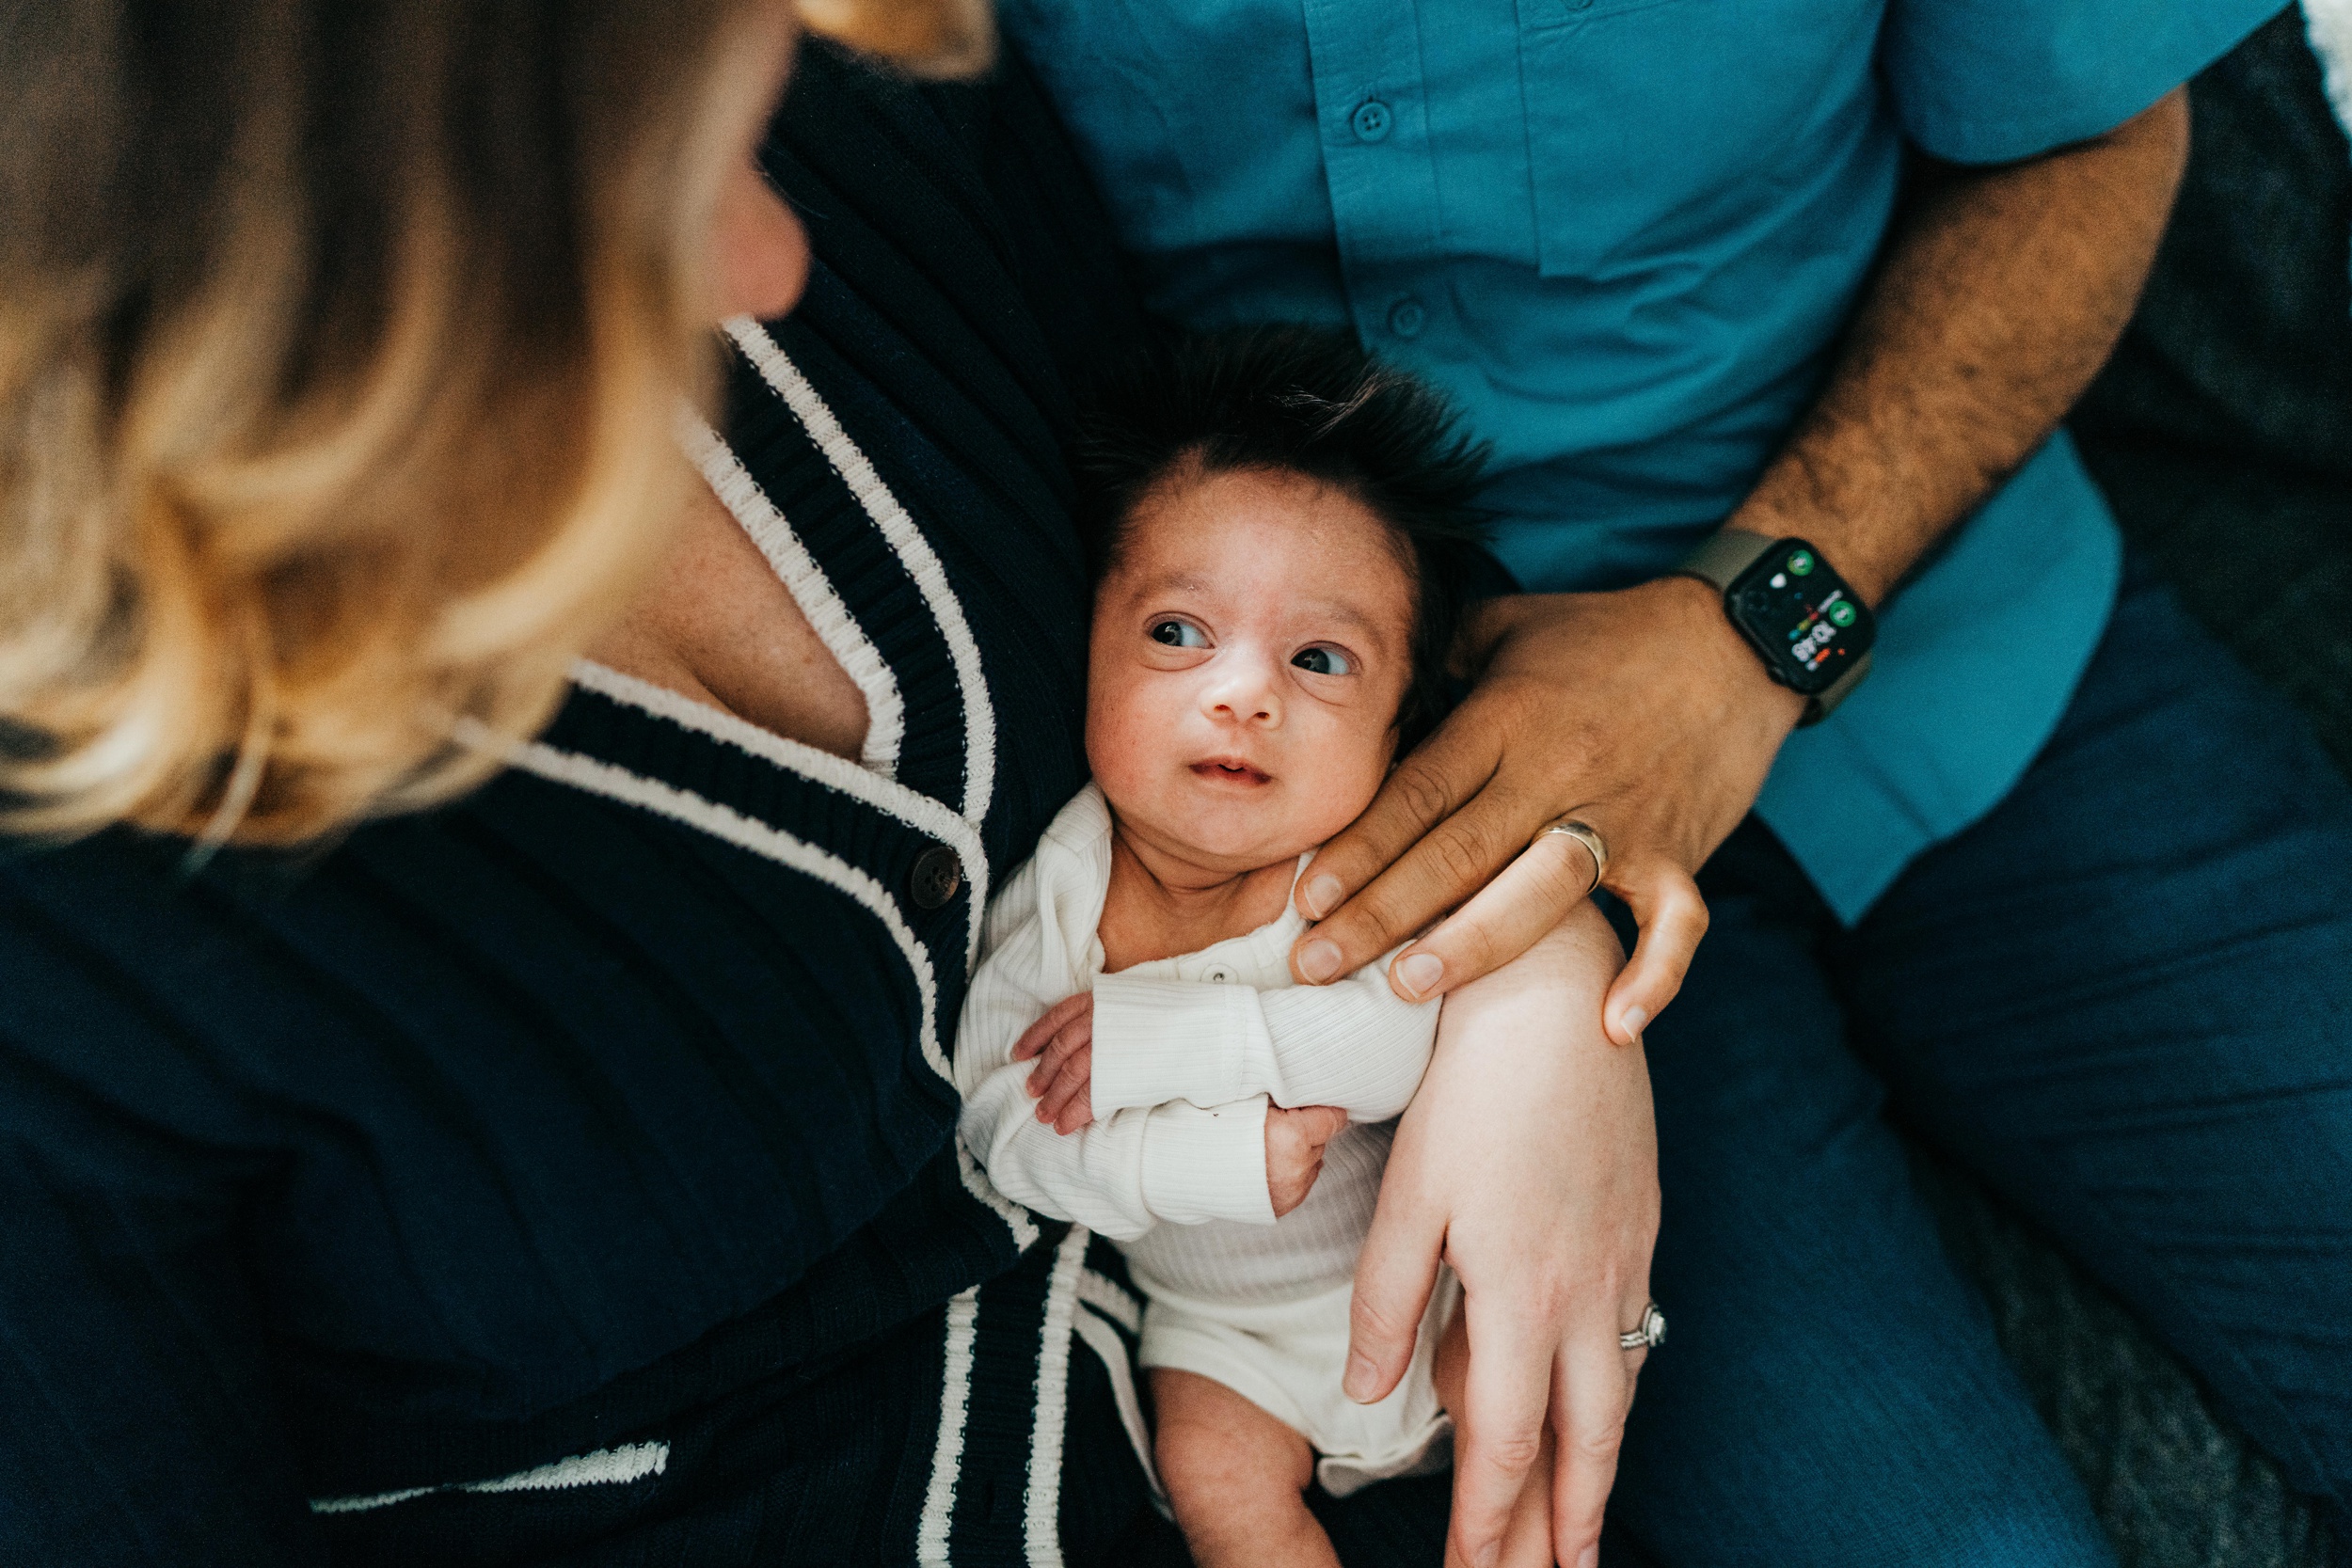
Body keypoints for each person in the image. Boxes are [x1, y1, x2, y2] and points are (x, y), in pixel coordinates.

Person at [0, 8, 1651, 1564]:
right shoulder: (66, 952)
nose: (775, 260)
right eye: (654, 181)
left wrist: (1520, 973)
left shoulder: (831, 75)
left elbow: (1285, 566)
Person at [993, 1, 2352, 1563]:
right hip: (1380, 804)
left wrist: (1748, 637)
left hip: (1966, 640)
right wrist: (1520, 974)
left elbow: (2100, 131)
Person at [956, 328, 1631, 1568]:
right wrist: (1211, 1160)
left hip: (1434, 1280)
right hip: (1222, 1338)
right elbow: (1004, 1127)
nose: (1242, 693)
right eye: (1176, 633)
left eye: (1320, 659)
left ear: (1397, 725)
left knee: (1522, 1397)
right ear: (1085, 643)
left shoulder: (1353, 869)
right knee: (1216, 1482)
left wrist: (1161, 1040)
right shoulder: (1055, 893)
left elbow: (1385, 1043)